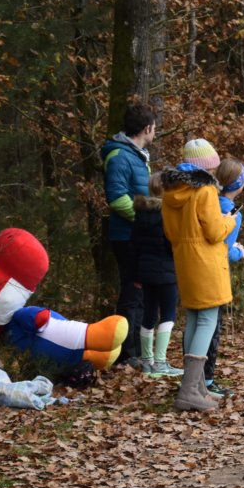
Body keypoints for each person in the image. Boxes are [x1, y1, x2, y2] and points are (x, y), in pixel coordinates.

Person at [160, 139, 236, 411]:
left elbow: (169, 233)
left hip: (184, 261)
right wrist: (230, 220)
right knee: (207, 321)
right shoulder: (205, 191)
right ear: (208, 166)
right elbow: (215, 232)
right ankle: (190, 390)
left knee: (194, 317)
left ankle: (196, 386)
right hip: (206, 262)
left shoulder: (170, 192)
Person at [100, 103, 156, 367]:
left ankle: (137, 352)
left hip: (138, 236)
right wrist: (147, 218)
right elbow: (117, 198)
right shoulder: (120, 156)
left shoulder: (137, 155)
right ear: (147, 128)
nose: (155, 132)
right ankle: (127, 354)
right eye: (154, 128)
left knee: (140, 293)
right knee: (132, 294)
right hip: (127, 237)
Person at [203, 158, 244, 398]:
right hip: (215, 274)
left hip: (199, 268)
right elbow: (223, 249)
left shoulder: (208, 202)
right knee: (212, 327)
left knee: (199, 325)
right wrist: (238, 252)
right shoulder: (232, 211)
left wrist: (234, 247)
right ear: (239, 184)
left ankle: (197, 378)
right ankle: (207, 379)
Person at [131, 172, 183, 378]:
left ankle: (147, 362)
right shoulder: (168, 214)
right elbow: (172, 245)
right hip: (166, 271)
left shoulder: (140, 213)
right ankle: (160, 362)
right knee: (168, 314)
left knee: (149, 314)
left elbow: (134, 246)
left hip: (145, 272)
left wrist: (136, 274)